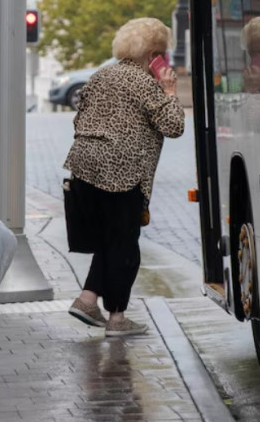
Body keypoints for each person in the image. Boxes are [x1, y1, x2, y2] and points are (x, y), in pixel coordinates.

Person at [64, 17, 185, 336]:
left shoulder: (100, 75)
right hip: (121, 172)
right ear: (154, 56)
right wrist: (169, 90)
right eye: (163, 54)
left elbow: (79, 119)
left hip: (82, 165)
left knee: (110, 239)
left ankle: (87, 300)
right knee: (124, 246)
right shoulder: (146, 83)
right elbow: (174, 126)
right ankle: (117, 318)